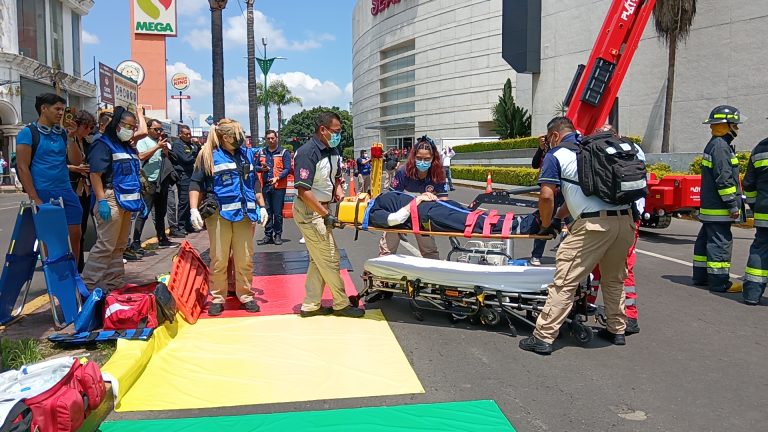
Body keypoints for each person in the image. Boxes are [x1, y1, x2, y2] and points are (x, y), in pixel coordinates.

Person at [519, 117, 636, 355]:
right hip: (625, 223)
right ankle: (617, 329)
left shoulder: (557, 154)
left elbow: (546, 196)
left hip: (593, 226)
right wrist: (559, 218)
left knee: (565, 281)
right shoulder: (593, 151)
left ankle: (543, 336)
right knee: (613, 279)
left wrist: (544, 222)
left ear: (553, 136)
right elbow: (578, 197)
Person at [188, 119, 266, 316]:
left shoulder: (245, 155)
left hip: (244, 214)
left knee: (245, 258)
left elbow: (254, 182)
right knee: (220, 258)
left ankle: (246, 295)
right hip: (219, 215)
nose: (241, 138)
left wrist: (262, 206)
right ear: (225, 137)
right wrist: (193, 209)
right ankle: (218, 297)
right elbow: (195, 183)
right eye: (236, 135)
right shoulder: (208, 156)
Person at [293, 111, 364, 318]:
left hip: (323, 209)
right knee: (331, 258)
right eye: (336, 131)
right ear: (322, 130)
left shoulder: (333, 150)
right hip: (310, 211)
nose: (338, 135)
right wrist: (325, 214)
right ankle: (341, 303)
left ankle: (310, 305)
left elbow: (336, 180)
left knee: (319, 260)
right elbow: (303, 191)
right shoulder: (308, 152)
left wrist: (341, 197)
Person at [16, 93, 84, 267]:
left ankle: (73, 273)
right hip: (43, 191)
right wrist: (34, 196)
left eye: (63, 109)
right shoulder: (28, 133)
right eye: (57, 109)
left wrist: (72, 137)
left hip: (65, 190)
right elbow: (23, 167)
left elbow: (76, 161)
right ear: (43, 109)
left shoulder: (62, 133)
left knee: (75, 233)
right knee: (50, 238)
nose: (61, 113)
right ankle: (53, 276)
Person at [587, 124, 643, 334]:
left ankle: (592, 308)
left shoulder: (599, 152)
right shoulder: (633, 150)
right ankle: (627, 315)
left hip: (604, 217)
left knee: (602, 268)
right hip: (630, 217)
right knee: (618, 268)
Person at [82, 107, 146, 292]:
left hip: (126, 203)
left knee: (119, 247)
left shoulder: (126, 146)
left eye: (132, 127)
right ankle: (87, 287)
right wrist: (101, 200)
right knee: (105, 246)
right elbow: (95, 174)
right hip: (110, 200)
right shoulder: (103, 144)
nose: (130, 129)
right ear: (116, 125)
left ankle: (114, 285)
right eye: (126, 125)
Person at [692, 106, 744, 293]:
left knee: (706, 240)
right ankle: (720, 282)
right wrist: (732, 205)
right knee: (720, 243)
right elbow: (724, 180)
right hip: (719, 208)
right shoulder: (721, 147)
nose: (737, 128)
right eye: (735, 124)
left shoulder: (714, 144)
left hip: (710, 207)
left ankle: (701, 277)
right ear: (726, 125)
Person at [378, 136, 447, 260]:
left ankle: (433, 276)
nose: (422, 161)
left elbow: (444, 202)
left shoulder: (438, 173)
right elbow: (392, 198)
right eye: (419, 158)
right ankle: (381, 275)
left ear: (433, 158)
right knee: (387, 250)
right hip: (400, 212)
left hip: (423, 216)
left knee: (429, 251)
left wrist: (433, 200)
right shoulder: (403, 172)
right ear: (414, 157)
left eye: (426, 159)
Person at [367, 191, 541, 234]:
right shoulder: (373, 212)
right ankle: (523, 226)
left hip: (434, 206)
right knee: (473, 223)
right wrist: (418, 199)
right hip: (429, 216)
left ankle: (522, 221)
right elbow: (394, 219)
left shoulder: (379, 198)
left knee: (476, 216)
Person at [129, 119, 173, 251]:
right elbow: (141, 156)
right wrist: (157, 147)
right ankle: (136, 241)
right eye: (156, 129)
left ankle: (161, 237)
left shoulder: (159, 142)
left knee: (161, 212)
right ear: (148, 129)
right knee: (144, 212)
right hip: (148, 182)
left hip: (161, 181)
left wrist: (165, 152)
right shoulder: (144, 141)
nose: (159, 132)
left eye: (160, 129)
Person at [66, 110, 96, 272]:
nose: (89, 130)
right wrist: (74, 168)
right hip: (69, 188)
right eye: (87, 127)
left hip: (84, 190)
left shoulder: (87, 142)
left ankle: (79, 269)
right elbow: (53, 164)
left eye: (91, 127)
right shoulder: (62, 139)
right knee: (70, 233)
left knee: (81, 231)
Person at [741, 132, 768, 305]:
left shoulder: (760, 148)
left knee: (760, 248)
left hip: (764, 212)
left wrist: (754, 207)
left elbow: (749, 184)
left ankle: (752, 294)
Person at [256, 130, 292, 246]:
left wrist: (278, 177)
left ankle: (277, 235)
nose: (270, 140)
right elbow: (255, 166)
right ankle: (268, 235)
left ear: (276, 138)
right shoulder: (262, 152)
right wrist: (262, 169)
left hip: (278, 187)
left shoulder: (283, 152)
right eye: (268, 138)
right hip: (265, 186)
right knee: (267, 211)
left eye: (272, 138)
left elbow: (287, 169)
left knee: (277, 213)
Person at [169, 125, 199, 236]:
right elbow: (186, 159)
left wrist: (196, 149)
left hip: (191, 174)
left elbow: (197, 153)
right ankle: (181, 225)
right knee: (184, 201)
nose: (188, 136)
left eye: (189, 134)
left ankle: (187, 224)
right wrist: (194, 155)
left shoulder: (191, 145)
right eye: (186, 134)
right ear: (180, 134)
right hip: (183, 175)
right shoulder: (177, 145)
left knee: (190, 201)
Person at [529, 135, 551, 266]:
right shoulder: (546, 151)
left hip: (566, 192)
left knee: (571, 225)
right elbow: (534, 164)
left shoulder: (563, 150)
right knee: (544, 222)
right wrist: (541, 149)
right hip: (549, 190)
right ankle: (536, 255)